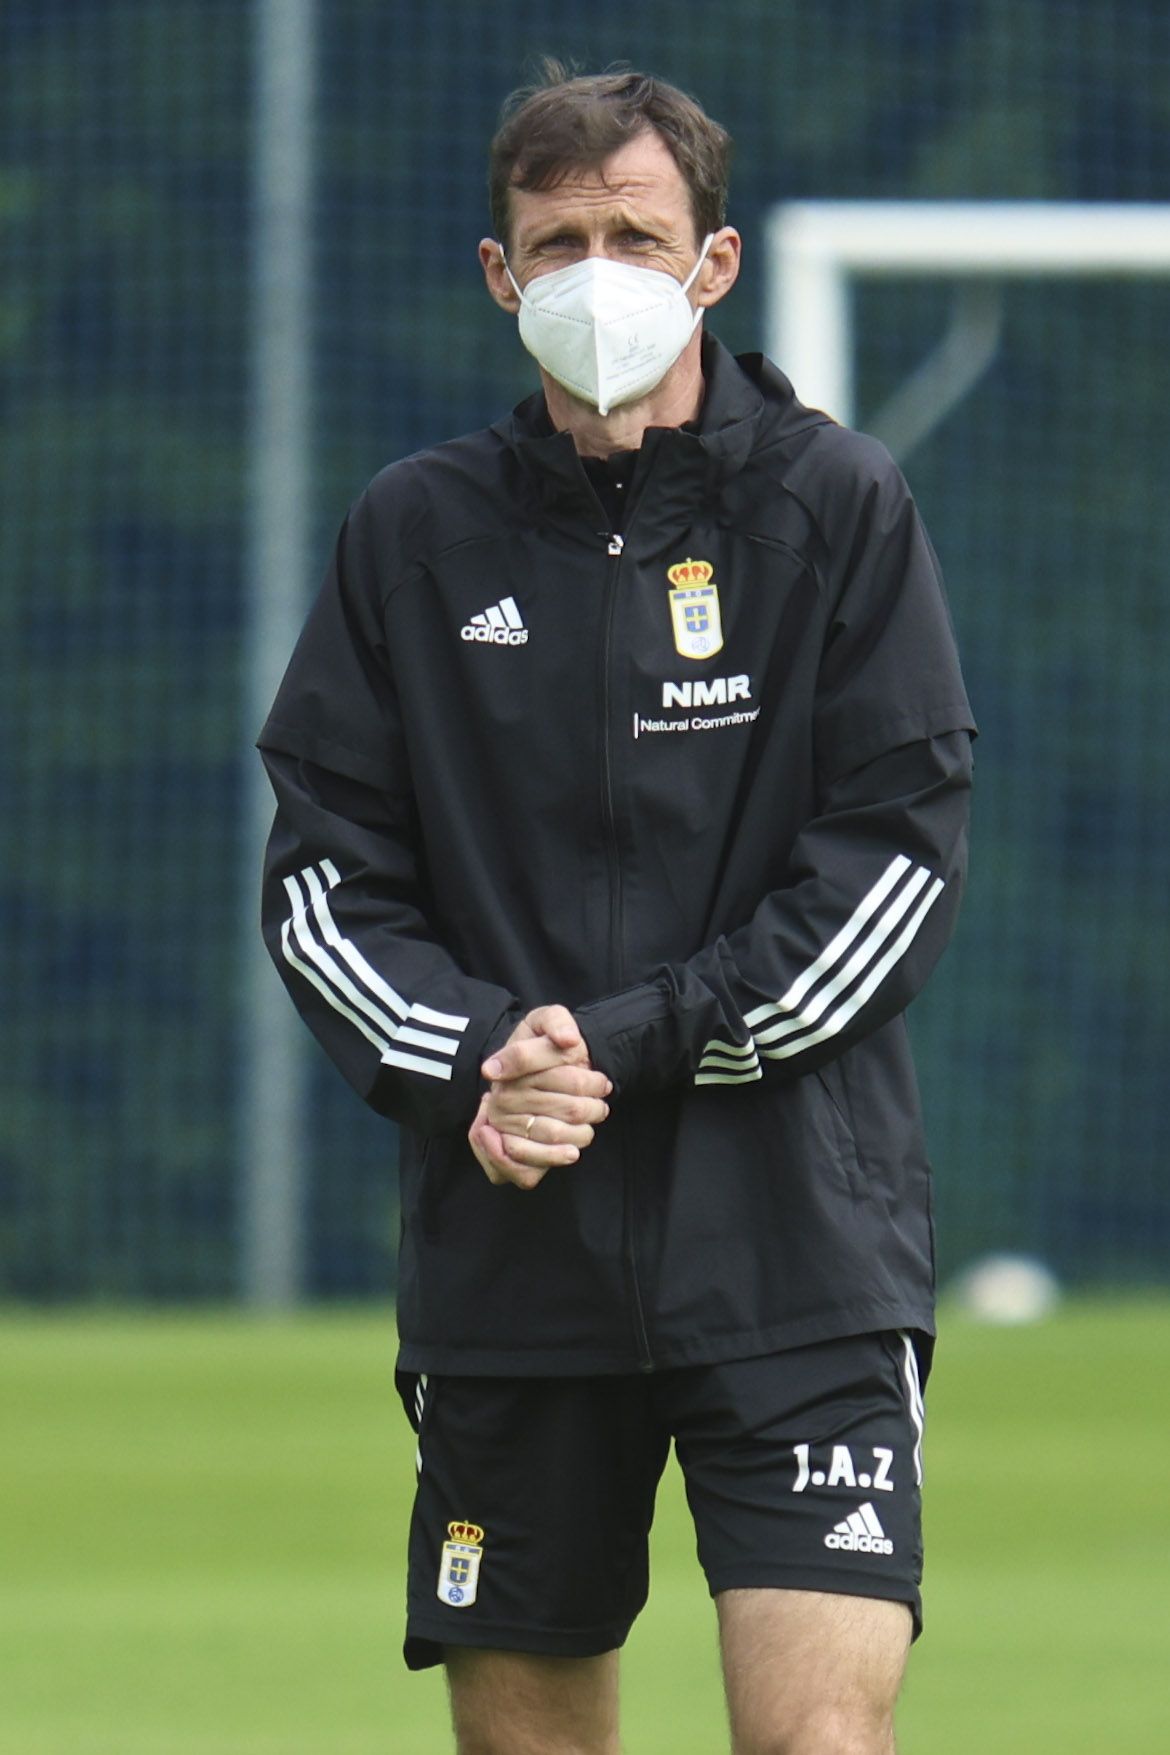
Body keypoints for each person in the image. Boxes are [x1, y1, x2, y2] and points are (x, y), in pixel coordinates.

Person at [258, 63, 975, 1755]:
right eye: (556, 239)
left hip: (798, 1253)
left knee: (817, 1742)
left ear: (711, 264)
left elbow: (891, 870)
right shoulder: (412, 534)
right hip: (512, 1264)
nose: (597, 273)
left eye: (634, 235)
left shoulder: (834, 505)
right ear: (501, 276)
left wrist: (617, 1041)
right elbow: (320, 881)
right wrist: (481, 1061)